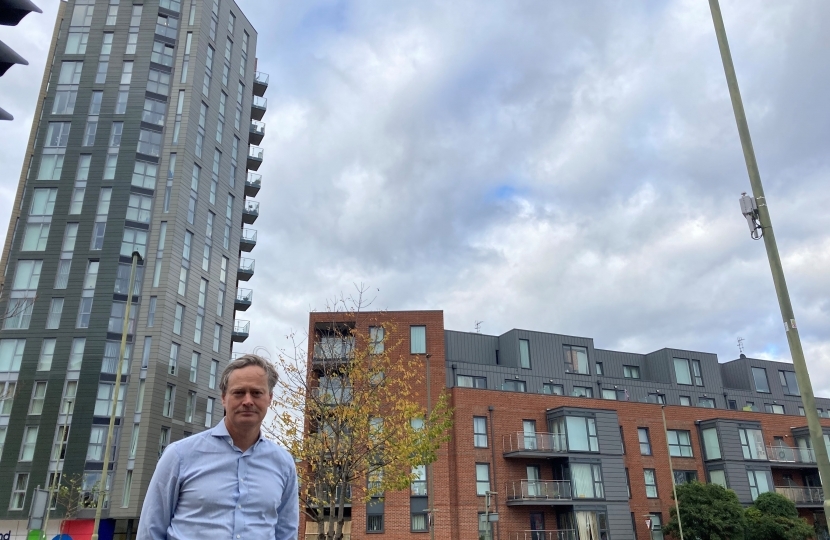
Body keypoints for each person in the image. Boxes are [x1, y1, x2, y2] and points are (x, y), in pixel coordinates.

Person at [137, 354, 298, 539]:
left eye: (256, 393)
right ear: (223, 398)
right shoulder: (179, 456)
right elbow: (150, 531)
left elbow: (286, 533)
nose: (247, 401)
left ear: (269, 398)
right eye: (238, 392)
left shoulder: (283, 463)